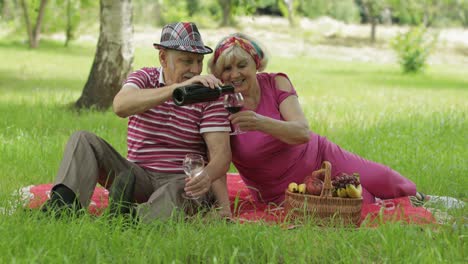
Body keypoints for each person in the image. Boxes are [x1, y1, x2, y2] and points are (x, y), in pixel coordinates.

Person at [41, 22, 232, 222]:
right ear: (163, 58)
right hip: (137, 177)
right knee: (82, 139)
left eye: (199, 61)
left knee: (179, 191)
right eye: (186, 61)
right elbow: (120, 106)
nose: (195, 69)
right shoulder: (144, 77)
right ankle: (62, 207)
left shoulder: (209, 95)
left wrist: (206, 177)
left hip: (180, 180)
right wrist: (176, 90)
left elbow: (221, 155)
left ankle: (127, 219)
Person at [208, 33, 421, 205]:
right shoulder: (219, 106)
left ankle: (426, 200)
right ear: (218, 74)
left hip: (321, 155)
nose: (234, 75)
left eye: (241, 65)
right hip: (282, 190)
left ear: (256, 64)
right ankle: (399, 204)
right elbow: (218, 160)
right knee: (363, 200)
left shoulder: (276, 82)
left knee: (388, 181)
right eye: (227, 68)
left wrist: (259, 122)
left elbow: (301, 132)